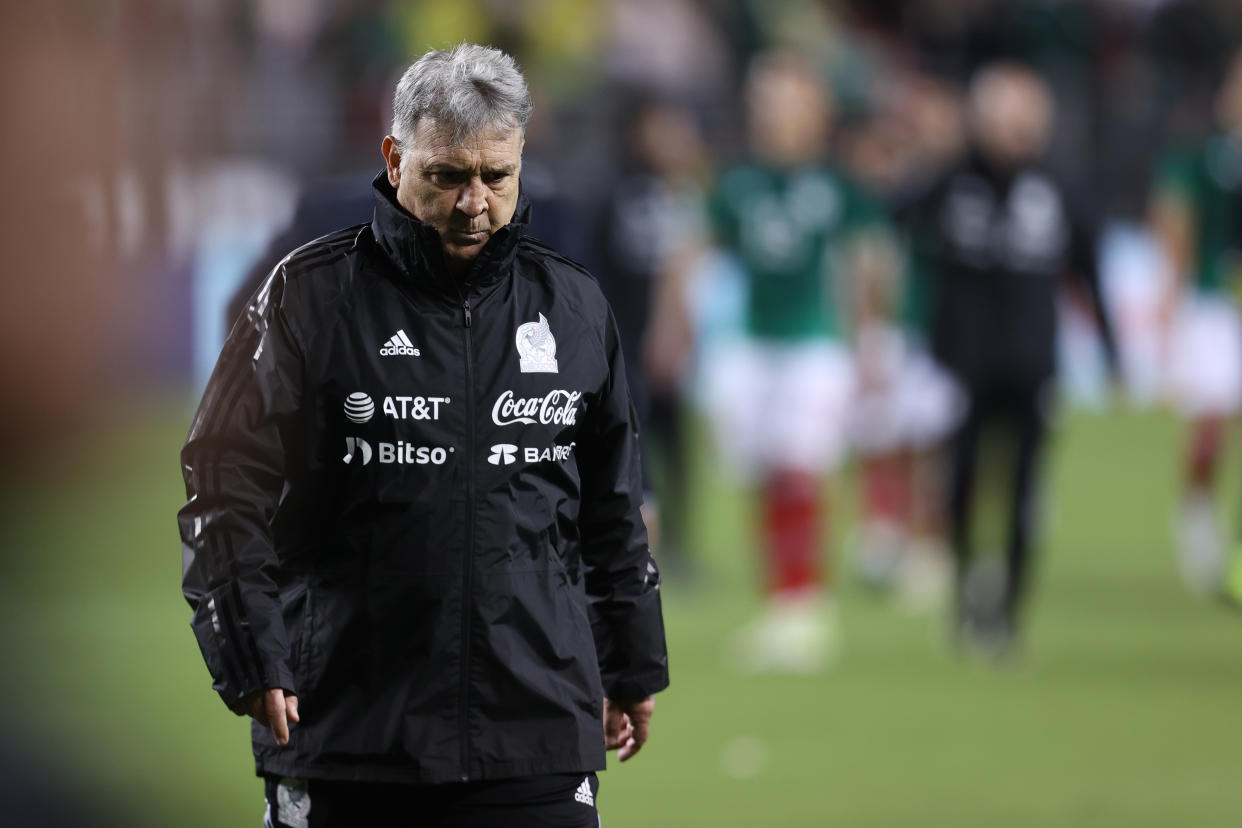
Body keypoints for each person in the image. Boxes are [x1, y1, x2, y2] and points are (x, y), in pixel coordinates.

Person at [178, 43, 669, 827]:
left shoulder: (573, 306)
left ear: (520, 164)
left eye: (495, 177)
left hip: (537, 734)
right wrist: (246, 645)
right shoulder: (308, 296)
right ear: (395, 157)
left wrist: (632, 663)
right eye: (447, 177)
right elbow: (222, 480)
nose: (474, 202)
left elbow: (610, 513)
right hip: (346, 731)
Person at [651, 51, 896, 671]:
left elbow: (869, 262)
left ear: (817, 112)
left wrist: (869, 341)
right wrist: (674, 327)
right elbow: (692, 250)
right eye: (768, 103)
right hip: (751, 345)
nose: (778, 115)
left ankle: (805, 603)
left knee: (800, 466)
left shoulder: (838, 184)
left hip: (815, 343)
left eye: (790, 103)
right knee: (761, 473)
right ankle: (781, 602)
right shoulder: (737, 181)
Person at [897, 63, 1119, 655]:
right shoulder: (952, 183)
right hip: (962, 365)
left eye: (1027, 115)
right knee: (962, 483)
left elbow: (1090, 275)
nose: (1017, 129)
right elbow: (893, 215)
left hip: (1031, 363)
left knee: (1024, 490)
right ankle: (967, 591)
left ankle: (1009, 613)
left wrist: (1113, 352)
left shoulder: (1059, 189)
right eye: (1004, 115)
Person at [1149, 49, 1242, 598]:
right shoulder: (1203, 155)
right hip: (1215, 305)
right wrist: (1170, 292)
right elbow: (1174, 217)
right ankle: (1198, 513)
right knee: (1212, 416)